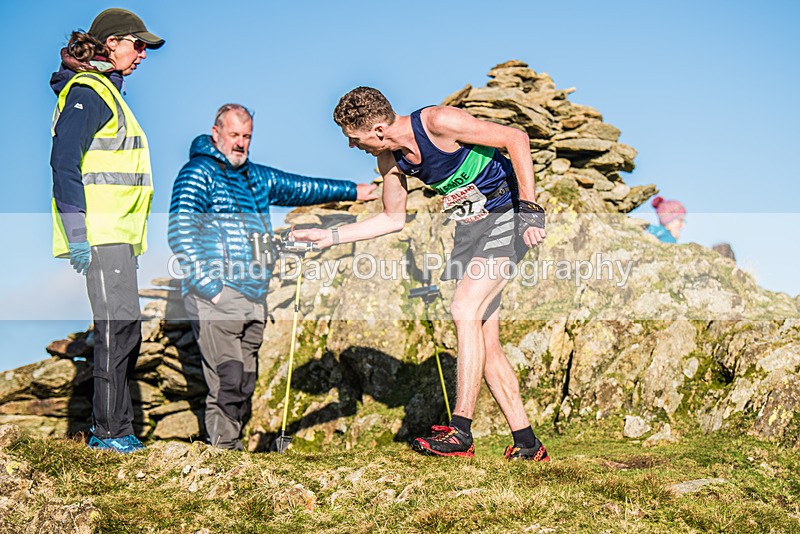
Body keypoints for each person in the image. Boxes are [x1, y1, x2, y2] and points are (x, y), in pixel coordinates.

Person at [292, 87, 550, 461]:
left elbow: (516, 138)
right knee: (484, 339)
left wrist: (530, 209)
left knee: (463, 308)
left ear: (378, 130)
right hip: (471, 231)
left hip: (507, 215)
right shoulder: (391, 160)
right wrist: (328, 236)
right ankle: (528, 443)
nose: (352, 147)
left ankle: (460, 430)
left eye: (354, 138)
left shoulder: (438, 122)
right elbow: (392, 218)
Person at [168, 104, 378, 450]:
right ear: (216, 133)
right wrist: (211, 289)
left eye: (246, 136)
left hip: (254, 294)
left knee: (245, 381)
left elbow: (301, 188)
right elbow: (180, 232)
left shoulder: (255, 176)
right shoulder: (197, 173)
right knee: (227, 378)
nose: (240, 143)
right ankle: (224, 455)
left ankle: (232, 452)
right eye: (234, 135)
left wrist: (354, 190)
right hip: (217, 294)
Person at [50, 8, 164, 453]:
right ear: (112, 43)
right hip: (98, 235)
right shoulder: (89, 92)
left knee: (124, 329)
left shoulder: (106, 93)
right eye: (138, 45)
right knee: (118, 329)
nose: (142, 55)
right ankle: (110, 434)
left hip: (116, 236)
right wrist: (77, 235)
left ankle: (114, 430)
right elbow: (64, 164)